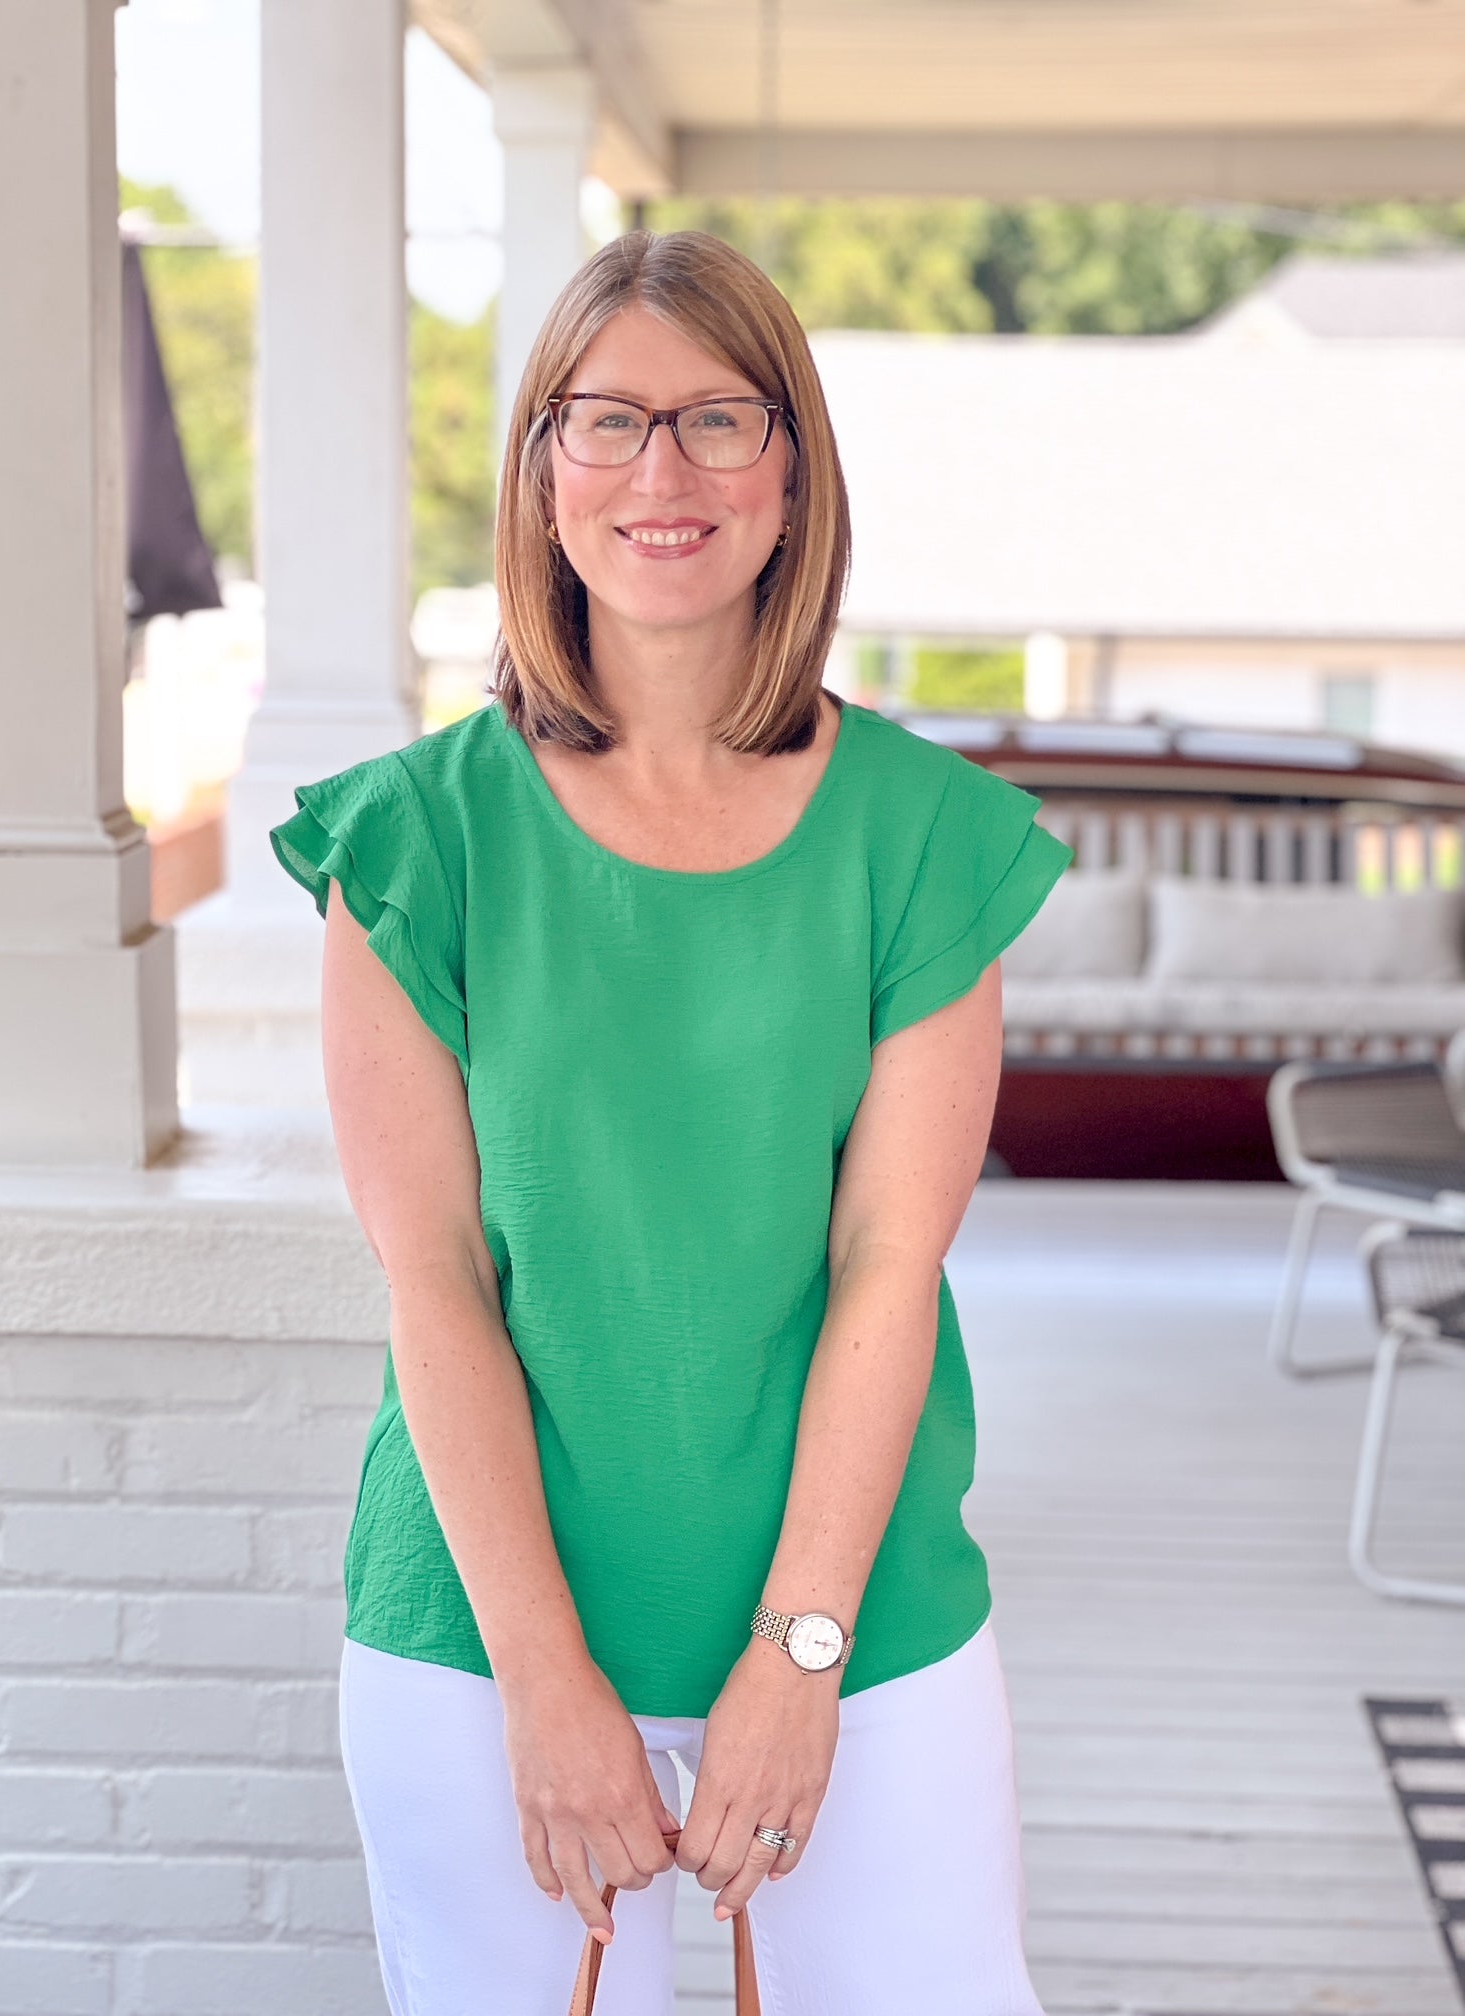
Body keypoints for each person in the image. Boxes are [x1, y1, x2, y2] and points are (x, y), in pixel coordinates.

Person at [269, 228, 1073, 2016]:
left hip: (868, 1640)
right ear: (541, 470)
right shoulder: (414, 841)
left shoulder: (929, 840)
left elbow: (888, 1265)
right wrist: (548, 1686)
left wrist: (800, 1657)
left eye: (721, 420)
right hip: (482, 1647)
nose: (662, 474)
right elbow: (437, 1288)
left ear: (794, 470)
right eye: (607, 421)